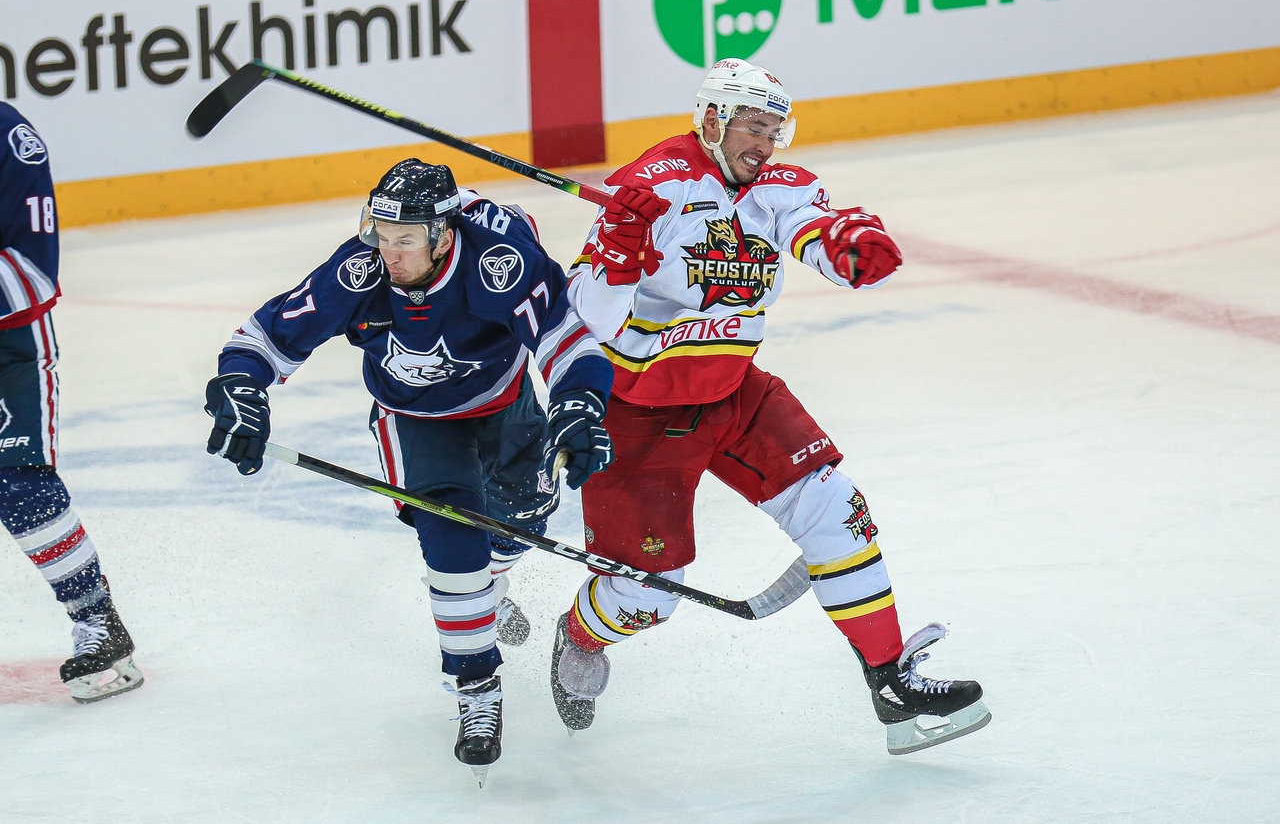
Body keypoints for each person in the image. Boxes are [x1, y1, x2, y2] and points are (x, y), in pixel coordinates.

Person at [549, 60, 990, 755]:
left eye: (774, 129)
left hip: (733, 391)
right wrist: (616, 254)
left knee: (838, 512)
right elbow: (584, 322)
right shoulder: (652, 186)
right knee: (648, 597)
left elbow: (809, 226)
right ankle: (578, 633)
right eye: (753, 127)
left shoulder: (778, 186)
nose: (765, 143)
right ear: (713, 119)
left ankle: (890, 679)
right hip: (637, 413)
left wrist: (844, 245)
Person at [204, 159, 613, 783]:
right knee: (453, 537)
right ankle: (476, 686)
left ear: (443, 236)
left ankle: (487, 589)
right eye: (380, 234)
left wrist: (580, 403)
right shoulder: (360, 270)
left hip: (503, 402)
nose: (388, 253)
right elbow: (266, 336)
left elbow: (566, 339)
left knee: (522, 523)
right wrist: (241, 387)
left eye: (405, 240)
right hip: (413, 418)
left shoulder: (498, 263)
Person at [0, 103, 144, 703]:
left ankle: (97, 620)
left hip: (8, 345)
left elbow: (33, 268)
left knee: (17, 482)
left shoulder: (10, 137)